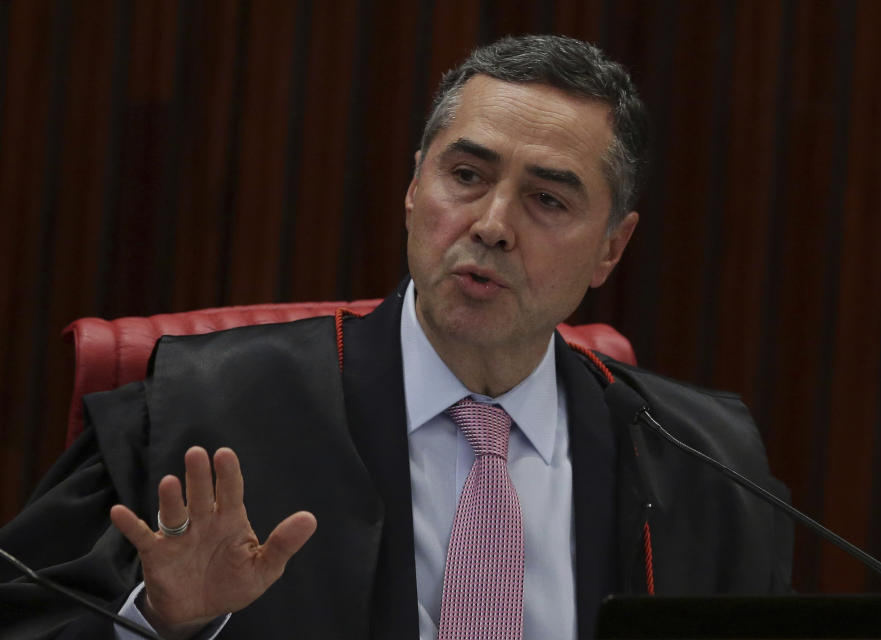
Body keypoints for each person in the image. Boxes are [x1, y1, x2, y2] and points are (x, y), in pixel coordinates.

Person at [0, 35, 792, 640]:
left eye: (548, 200)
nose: (490, 225)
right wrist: (162, 622)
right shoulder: (200, 418)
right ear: (415, 188)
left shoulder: (709, 467)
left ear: (611, 248)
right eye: (467, 176)